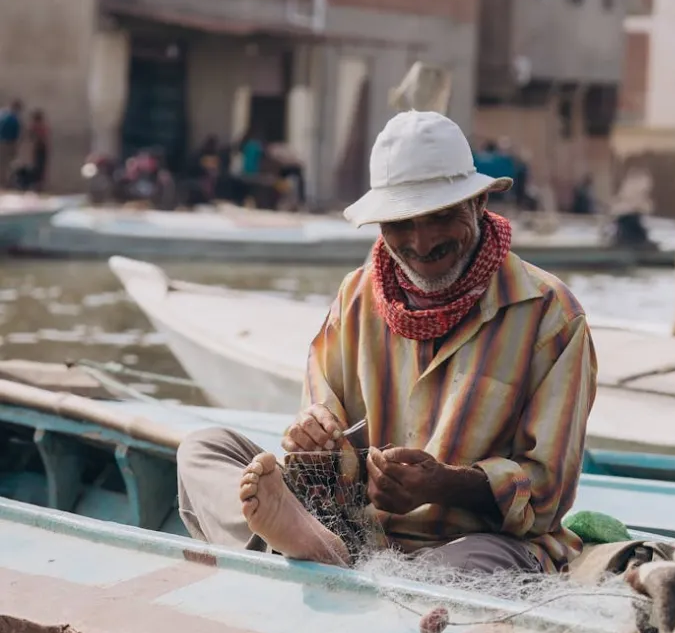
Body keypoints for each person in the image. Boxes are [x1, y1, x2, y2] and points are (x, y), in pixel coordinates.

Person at [177, 110, 597, 575]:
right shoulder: (355, 296)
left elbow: (548, 493)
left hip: (475, 543)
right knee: (203, 449)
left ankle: (310, 561)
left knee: (466, 568)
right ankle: (314, 548)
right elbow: (320, 432)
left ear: (479, 203)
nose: (421, 242)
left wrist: (445, 485)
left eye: (441, 217)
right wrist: (312, 437)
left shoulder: (551, 315)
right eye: (400, 223)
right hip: (352, 527)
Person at [0, 100, 23, 187]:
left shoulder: (2, 114)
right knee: (7, 163)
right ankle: (4, 182)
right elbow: (16, 134)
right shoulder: (14, 118)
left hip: (2, 141)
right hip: (8, 143)